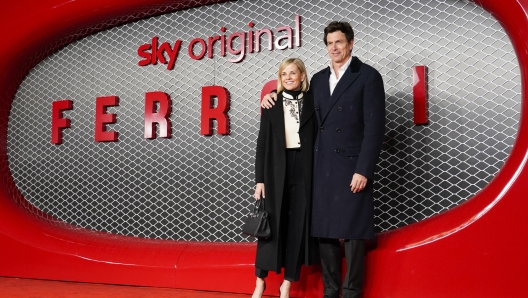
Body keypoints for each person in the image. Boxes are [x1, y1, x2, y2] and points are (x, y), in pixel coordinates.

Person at [261, 21, 385, 298]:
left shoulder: (368, 76)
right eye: (330, 43)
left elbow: (375, 129)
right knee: (325, 230)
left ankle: (351, 292)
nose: (334, 48)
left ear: (351, 43)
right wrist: (272, 97)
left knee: (353, 234)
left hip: (352, 167)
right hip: (321, 167)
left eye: (339, 42)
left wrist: (364, 169)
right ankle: (331, 290)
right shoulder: (317, 79)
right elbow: (294, 101)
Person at [252, 58, 319, 298]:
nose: (288, 77)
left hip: (305, 169)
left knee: (297, 228)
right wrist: (260, 179)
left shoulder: (314, 101)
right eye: (284, 74)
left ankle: (287, 284)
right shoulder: (271, 102)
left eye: (293, 73)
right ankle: (260, 281)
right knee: (270, 227)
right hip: (275, 169)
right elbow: (262, 143)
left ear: (302, 75)